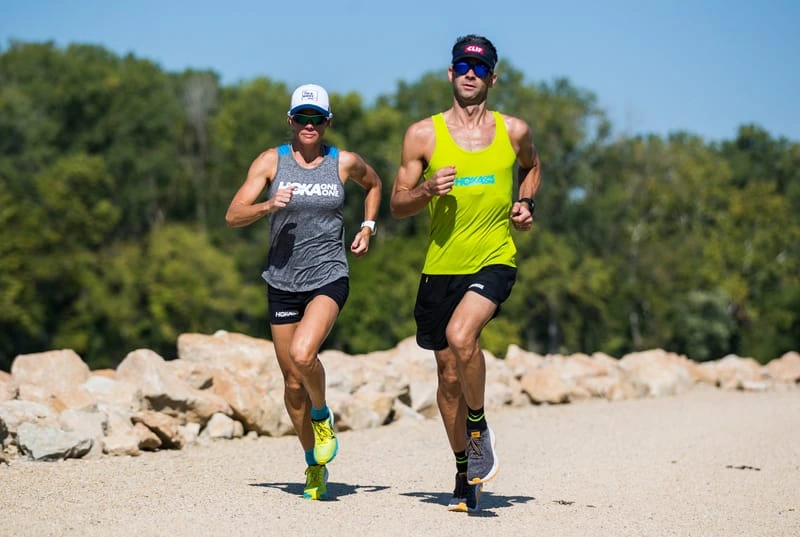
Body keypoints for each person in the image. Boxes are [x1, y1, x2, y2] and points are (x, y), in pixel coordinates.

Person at [390, 34, 541, 513]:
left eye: (480, 67)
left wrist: (525, 201)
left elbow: (531, 168)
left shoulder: (514, 130)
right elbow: (397, 203)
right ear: (450, 73)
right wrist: (426, 190)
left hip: (495, 256)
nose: (471, 73)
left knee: (462, 336)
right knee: (447, 377)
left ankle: (478, 430)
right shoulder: (423, 135)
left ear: (493, 77)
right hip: (440, 268)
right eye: (463, 65)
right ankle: (465, 470)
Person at [225, 83, 382, 500]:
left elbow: (376, 185)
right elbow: (233, 214)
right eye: (301, 118)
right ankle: (314, 465)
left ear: (327, 123)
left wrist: (368, 227)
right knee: (292, 383)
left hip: (329, 275)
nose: (309, 126)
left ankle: (322, 414)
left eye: (317, 119)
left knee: (303, 354)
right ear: (290, 121)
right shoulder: (270, 162)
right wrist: (268, 206)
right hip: (281, 282)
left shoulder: (343, 162)